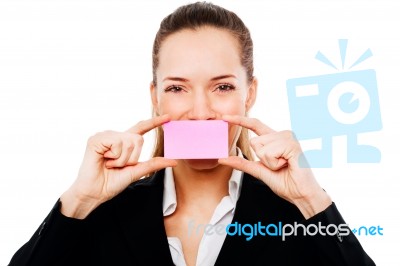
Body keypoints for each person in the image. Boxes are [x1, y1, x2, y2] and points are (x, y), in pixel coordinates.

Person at [9, 2, 376, 266]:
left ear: (250, 94)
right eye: (177, 88)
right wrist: (78, 201)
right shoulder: (101, 213)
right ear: (155, 97)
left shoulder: (298, 216)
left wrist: (313, 202)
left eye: (222, 88)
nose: (200, 114)